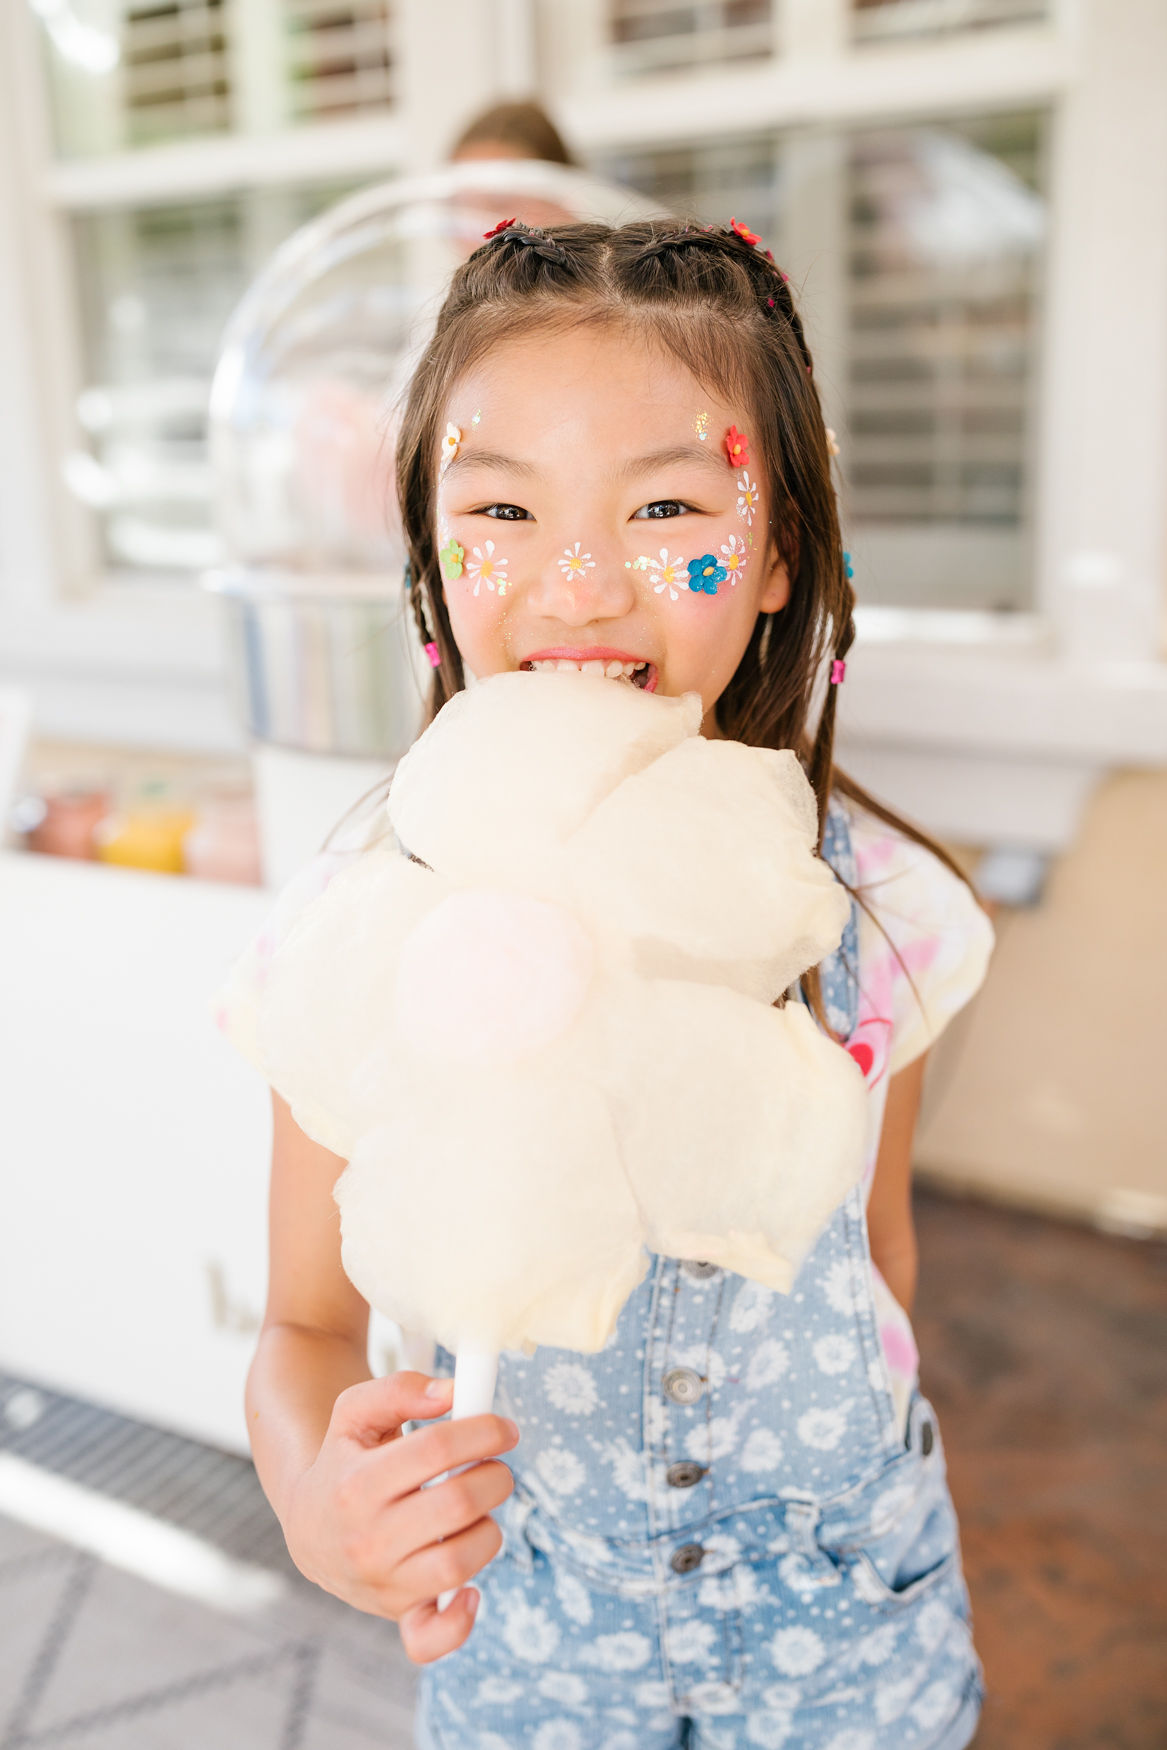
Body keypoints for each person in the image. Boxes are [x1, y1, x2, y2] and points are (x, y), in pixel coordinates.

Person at [224, 218, 994, 1749]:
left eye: (663, 505)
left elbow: (878, 1259)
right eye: (502, 506)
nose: (576, 584)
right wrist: (321, 1497)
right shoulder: (367, 927)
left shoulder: (885, 912)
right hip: (537, 1657)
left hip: (849, 1649)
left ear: (778, 554)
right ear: (431, 558)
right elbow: (304, 1327)